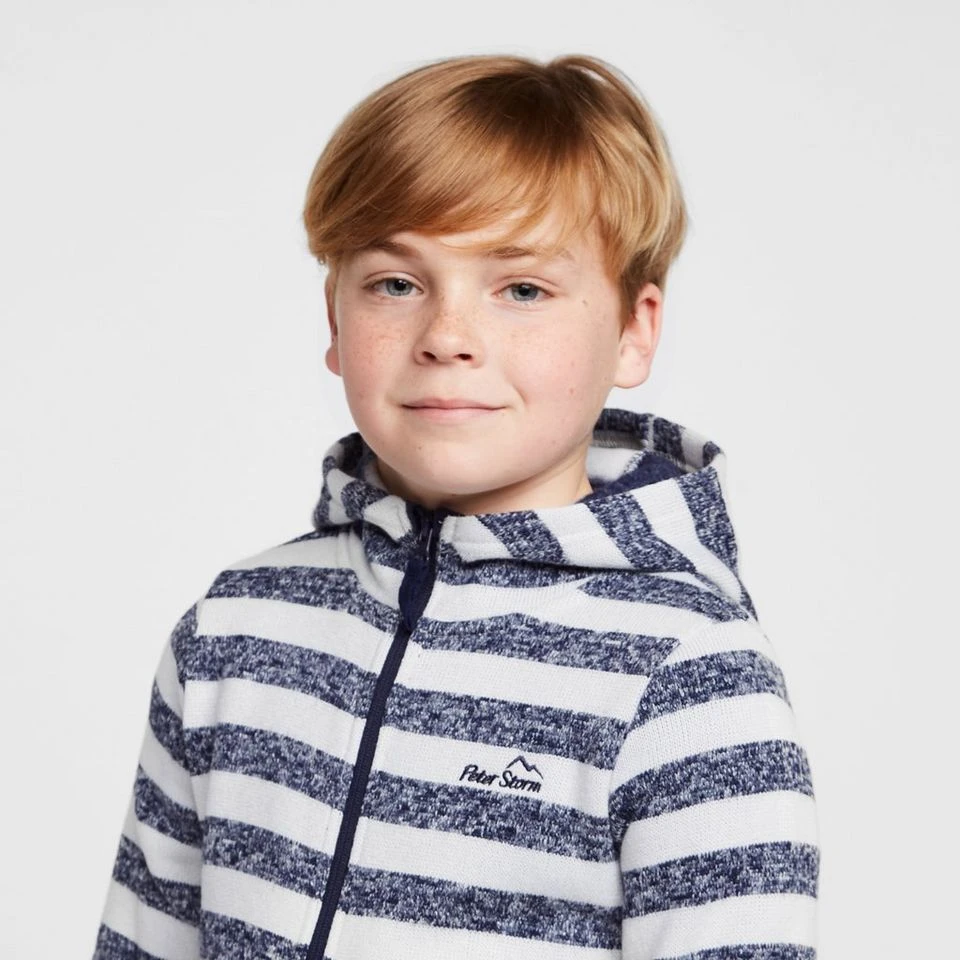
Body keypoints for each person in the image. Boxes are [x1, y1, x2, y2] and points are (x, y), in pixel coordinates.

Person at [92, 53, 819, 960]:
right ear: (335, 318)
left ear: (634, 331)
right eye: (396, 284)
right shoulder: (233, 628)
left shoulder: (689, 675)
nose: (446, 337)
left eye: (523, 289)